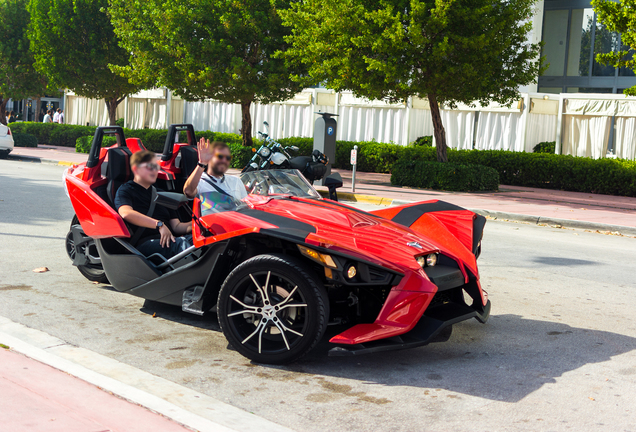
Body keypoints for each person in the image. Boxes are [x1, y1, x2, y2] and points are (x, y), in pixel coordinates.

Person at [115, 150, 192, 259]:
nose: (154, 170)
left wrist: (198, 225)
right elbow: (126, 213)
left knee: (203, 241)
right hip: (144, 244)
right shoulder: (125, 190)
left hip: (171, 241)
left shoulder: (162, 194)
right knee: (183, 245)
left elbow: (177, 226)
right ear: (136, 169)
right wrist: (159, 225)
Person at [183, 139, 247, 200]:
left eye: (228, 157)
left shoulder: (236, 181)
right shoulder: (200, 181)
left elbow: (246, 205)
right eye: (220, 156)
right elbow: (188, 192)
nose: (224, 161)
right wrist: (202, 163)